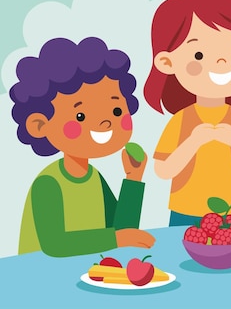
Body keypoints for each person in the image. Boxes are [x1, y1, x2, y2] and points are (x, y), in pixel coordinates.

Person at [10, 37, 155, 257]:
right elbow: (55, 245)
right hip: (41, 276)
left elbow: (123, 230)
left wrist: (133, 178)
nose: (105, 122)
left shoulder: (94, 178)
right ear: (39, 125)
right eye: (80, 116)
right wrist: (117, 239)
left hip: (86, 273)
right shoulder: (47, 184)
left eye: (116, 111)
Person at [144, 0, 231, 226]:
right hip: (187, 212)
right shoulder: (181, 120)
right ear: (167, 62)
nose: (222, 62)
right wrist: (193, 141)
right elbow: (162, 171)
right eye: (199, 55)